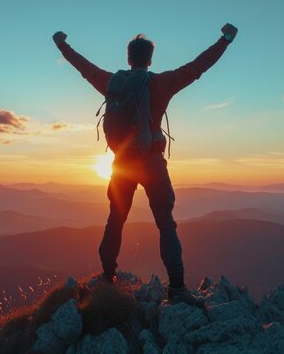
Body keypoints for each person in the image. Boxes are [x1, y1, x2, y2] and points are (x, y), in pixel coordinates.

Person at [53, 23, 238, 307]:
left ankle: (107, 277)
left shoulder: (111, 83)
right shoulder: (160, 83)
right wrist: (224, 40)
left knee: (116, 218)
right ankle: (176, 289)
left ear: (128, 58)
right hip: (151, 162)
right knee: (166, 225)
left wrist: (62, 44)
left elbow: (84, 67)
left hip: (122, 165)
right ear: (150, 59)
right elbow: (197, 67)